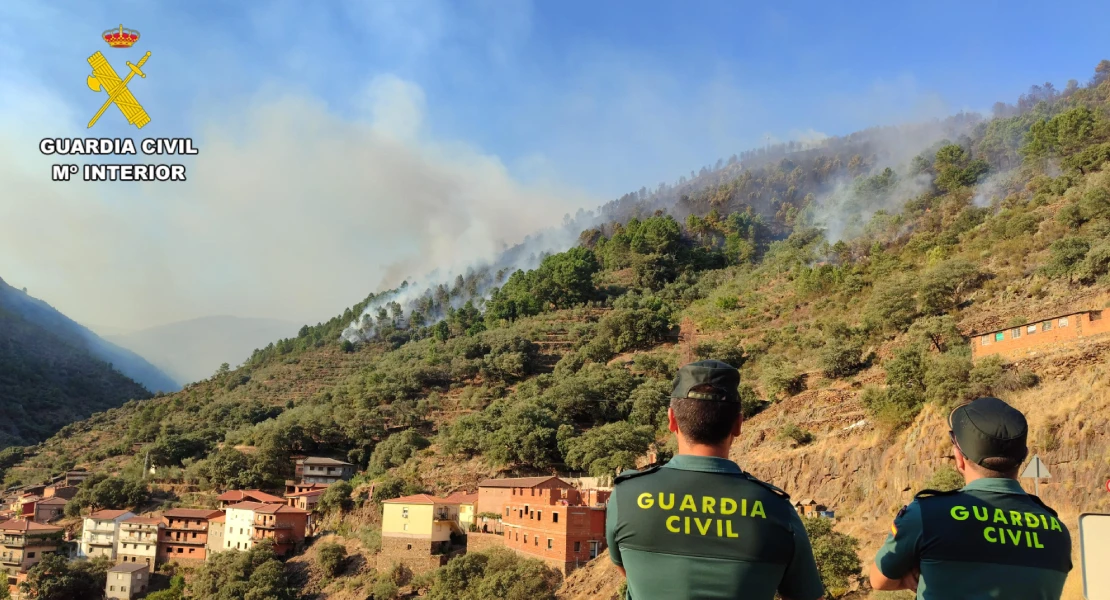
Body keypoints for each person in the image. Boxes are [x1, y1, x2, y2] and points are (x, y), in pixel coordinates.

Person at [606, 360, 826, 600]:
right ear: (738, 425)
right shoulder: (779, 510)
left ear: (671, 420)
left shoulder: (627, 496)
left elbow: (629, 572)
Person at [870, 396, 1072, 599]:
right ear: (1024, 457)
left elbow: (879, 580)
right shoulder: (1057, 532)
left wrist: (915, 575)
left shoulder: (925, 516)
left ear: (959, 458)